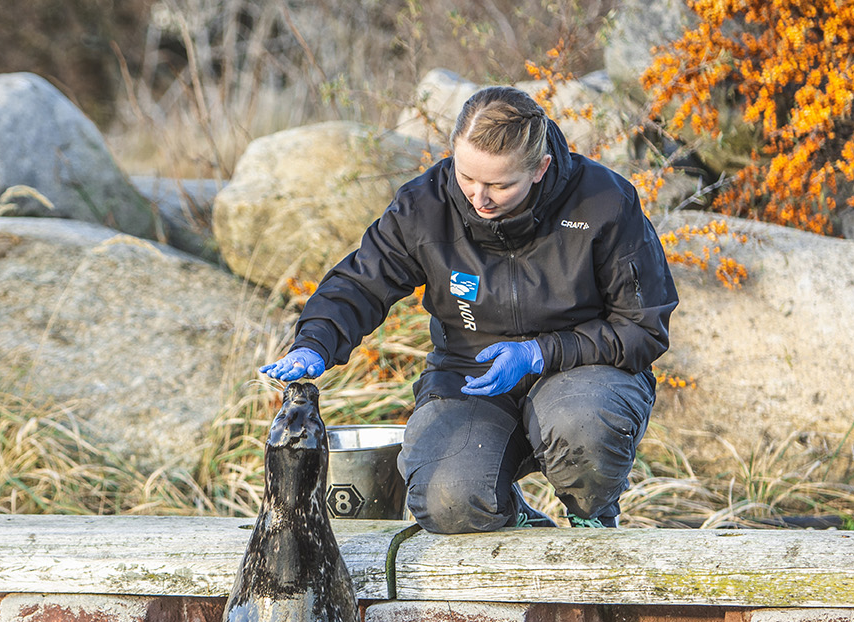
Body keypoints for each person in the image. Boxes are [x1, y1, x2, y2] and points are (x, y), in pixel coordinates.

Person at [261, 85, 677, 532]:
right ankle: (518, 519)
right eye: (467, 178)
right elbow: (361, 283)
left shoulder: (604, 202)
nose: (479, 198)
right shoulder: (425, 206)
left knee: (585, 428)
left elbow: (643, 328)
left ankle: (590, 517)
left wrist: (539, 353)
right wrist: (316, 342)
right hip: (470, 376)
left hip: (584, 372)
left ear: (540, 169)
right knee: (446, 500)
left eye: (500, 184)